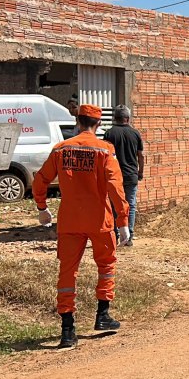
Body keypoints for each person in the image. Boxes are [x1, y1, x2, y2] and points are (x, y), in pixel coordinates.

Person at [32, 104, 130, 349]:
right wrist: (123, 222)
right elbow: (115, 189)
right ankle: (103, 316)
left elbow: (40, 179)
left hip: (70, 220)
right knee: (106, 266)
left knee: (67, 272)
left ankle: (67, 330)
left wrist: (42, 209)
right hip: (99, 220)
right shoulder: (105, 151)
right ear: (97, 125)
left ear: (77, 122)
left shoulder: (61, 149)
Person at [102, 105, 145, 246]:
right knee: (130, 205)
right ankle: (129, 236)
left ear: (115, 118)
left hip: (113, 176)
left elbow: (104, 156)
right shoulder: (135, 133)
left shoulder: (109, 134)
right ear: (127, 118)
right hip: (131, 175)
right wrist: (140, 172)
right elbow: (141, 156)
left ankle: (115, 234)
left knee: (114, 205)